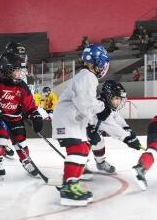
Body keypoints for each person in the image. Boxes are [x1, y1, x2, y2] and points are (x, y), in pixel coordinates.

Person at [51, 45, 109, 206]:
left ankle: (71, 182)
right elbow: (85, 104)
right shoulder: (88, 77)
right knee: (77, 150)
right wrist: (102, 105)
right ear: (98, 62)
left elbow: (85, 105)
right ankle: (69, 187)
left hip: (72, 119)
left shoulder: (86, 76)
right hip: (67, 118)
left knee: (83, 149)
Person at [0, 52, 43, 180]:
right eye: (17, 70)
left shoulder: (22, 86)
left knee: (20, 140)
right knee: (0, 138)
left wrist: (35, 115)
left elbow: (28, 104)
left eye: (20, 70)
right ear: (7, 69)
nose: (20, 73)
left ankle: (26, 161)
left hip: (15, 119)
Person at [86, 81, 141, 175]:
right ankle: (80, 164)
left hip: (87, 129)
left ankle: (100, 163)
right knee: (85, 143)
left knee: (99, 141)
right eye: (116, 98)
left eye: (120, 99)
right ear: (108, 95)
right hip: (76, 130)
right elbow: (111, 126)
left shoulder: (107, 105)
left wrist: (126, 128)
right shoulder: (100, 106)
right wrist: (127, 138)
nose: (118, 101)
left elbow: (117, 118)